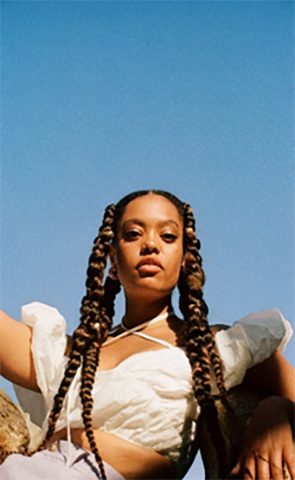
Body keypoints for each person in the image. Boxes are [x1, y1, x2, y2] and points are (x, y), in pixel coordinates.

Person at [0, 189, 294, 480]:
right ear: (112, 259)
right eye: (133, 234)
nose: (150, 244)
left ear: (184, 259)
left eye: (167, 236)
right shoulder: (71, 356)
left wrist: (275, 409)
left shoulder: (211, 348)